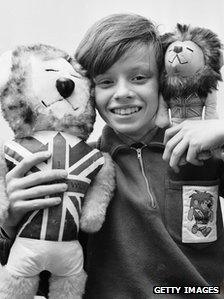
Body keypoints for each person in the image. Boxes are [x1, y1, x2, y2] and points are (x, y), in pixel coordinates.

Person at [1, 13, 224, 299]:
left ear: (164, 82)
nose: (122, 93)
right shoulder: (79, 167)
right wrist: (9, 223)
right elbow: (44, 271)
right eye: (105, 82)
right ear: (88, 91)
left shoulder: (202, 150)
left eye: (139, 78)